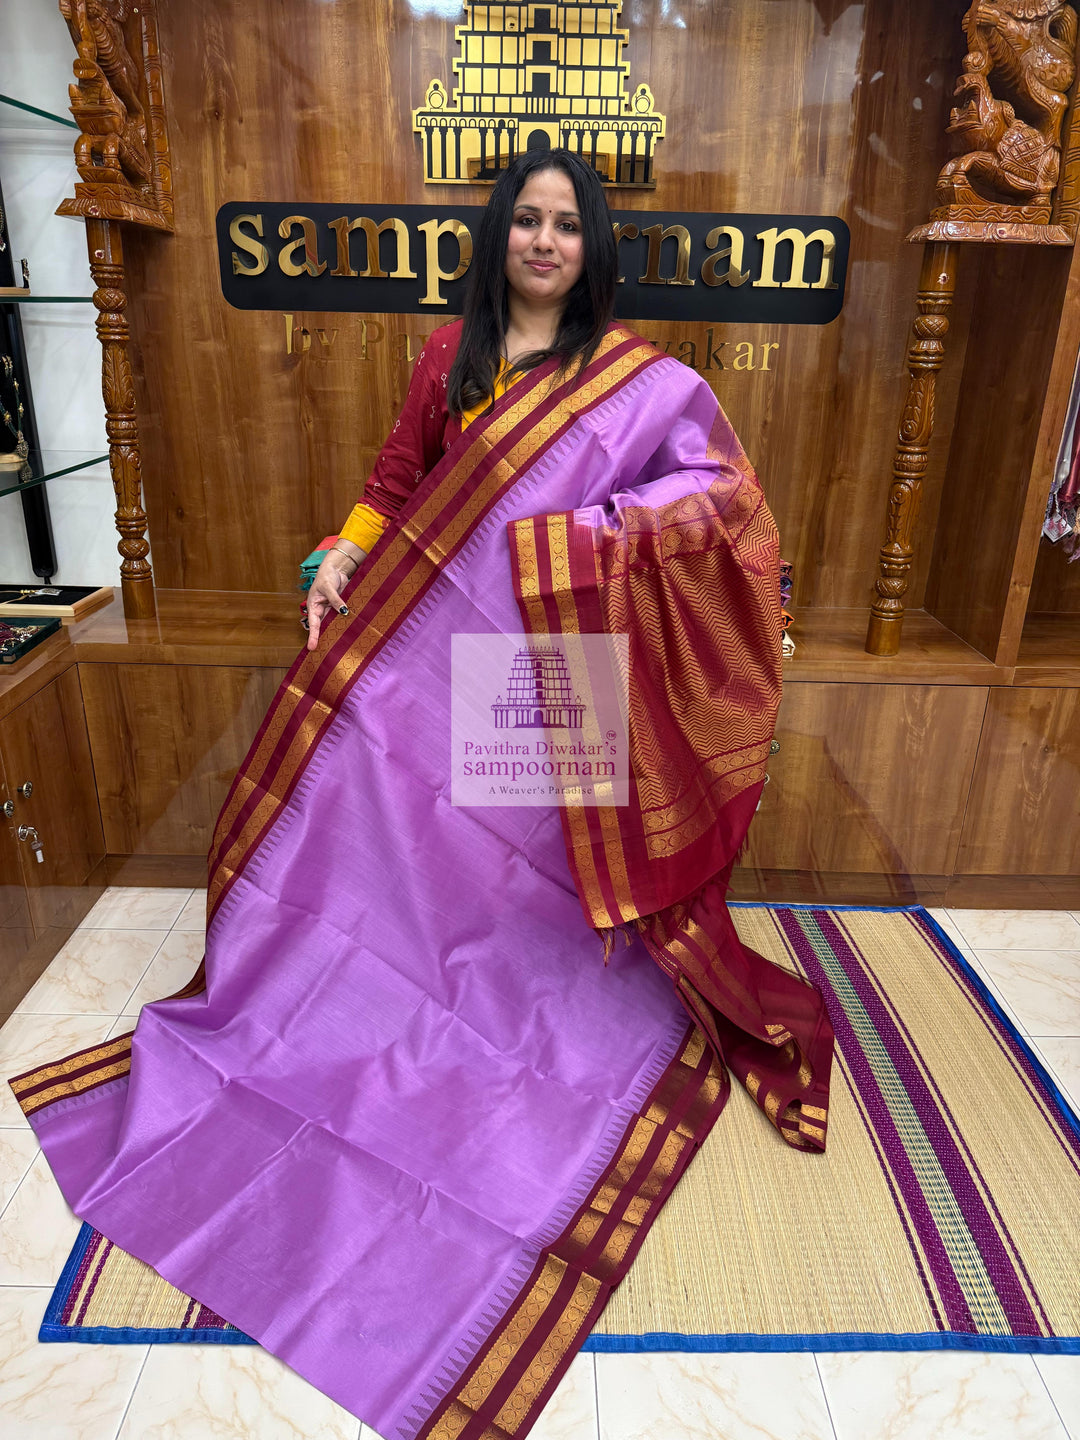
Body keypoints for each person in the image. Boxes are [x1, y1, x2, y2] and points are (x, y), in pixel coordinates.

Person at [9, 151, 834, 1440]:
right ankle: (372, 993)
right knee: (411, 840)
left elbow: (720, 498)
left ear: (593, 245)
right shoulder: (453, 355)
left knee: (527, 869)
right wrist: (346, 554)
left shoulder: (638, 380)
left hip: (556, 664)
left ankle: (501, 1008)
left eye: (567, 225)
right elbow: (398, 482)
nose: (545, 240)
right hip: (438, 653)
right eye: (527, 221)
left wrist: (598, 537)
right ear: (499, 236)